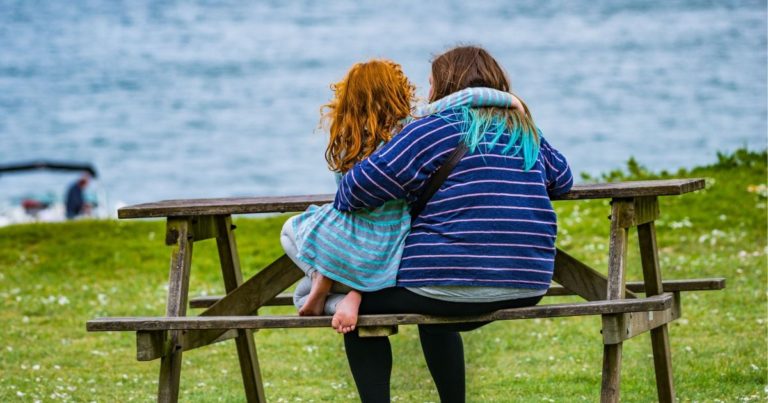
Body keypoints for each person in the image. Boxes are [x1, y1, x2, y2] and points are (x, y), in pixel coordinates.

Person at [333, 46, 573, 402]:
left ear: (444, 86)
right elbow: (563, 180)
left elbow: (353, 191)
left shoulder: (432, 129)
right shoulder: (524, 130)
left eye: (431, 84)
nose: (427, 93)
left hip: (445, 286)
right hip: (528, 283)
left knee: (352, 304)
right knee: (436, 292)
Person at [280, 60, 525, 333]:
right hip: (392, 245)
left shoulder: (345, 141)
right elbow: (464, 98)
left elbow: (346, 197)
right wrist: (510, 100)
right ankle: (350, 292)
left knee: (293, 247)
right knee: (409, 283)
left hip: (346, 240)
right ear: (400, 91)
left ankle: (325, 281)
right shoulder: (415, 123)